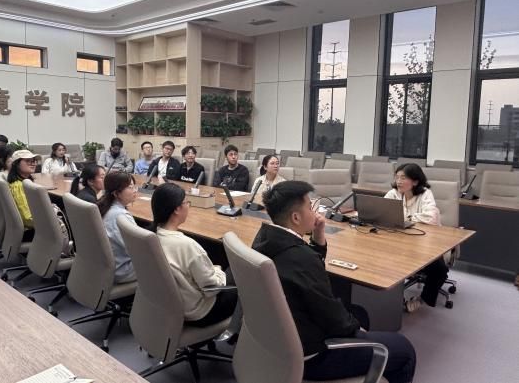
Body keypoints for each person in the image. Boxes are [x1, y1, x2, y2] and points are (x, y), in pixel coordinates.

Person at [253, 181, 416, 383]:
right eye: (310, 207)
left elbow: (305, 271)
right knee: (404, 349)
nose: (315, 212)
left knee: (360, 313)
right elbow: (333, 316)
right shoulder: (302, 258)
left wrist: (318, 238)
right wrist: (356, 329)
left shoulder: (266, 239)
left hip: (277, 341)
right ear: (296, 217)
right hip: (311, 357)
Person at [152, 182, 237, 326]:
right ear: (177, 209)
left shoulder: (152, 235)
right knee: (237, 270)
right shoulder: (188, 245)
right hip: (198, 312)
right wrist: (218, 271)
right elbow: (211, 289)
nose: (188, 206)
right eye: (187, 202)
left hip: (169, 305)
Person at [385, 163, 446, 312]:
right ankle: (392, 297)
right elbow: (383, 211)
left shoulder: (425, 194)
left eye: (403, 178)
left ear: (415, 181)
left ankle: (423, 299)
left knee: (439, 269)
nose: (398, 181)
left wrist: (405, 217)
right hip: (399, 240)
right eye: (397, 177)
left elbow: (431, 217)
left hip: (425, 242)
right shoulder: (393, 193)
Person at [97, 172, 137, 283]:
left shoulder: (104, 206)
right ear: (116, 193)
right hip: (121, 270)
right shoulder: (120, 216)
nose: (135, 190)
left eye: (134, 186)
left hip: (104, 264)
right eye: (130, 187)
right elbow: (136, 250)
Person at [7, 150, 41, 241]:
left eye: (34, 161)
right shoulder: (18, 186)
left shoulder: (23, 182)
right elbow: (27, 218)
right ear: (16, 164)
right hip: (29, 231)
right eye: (28, 161)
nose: (33, 163)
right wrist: (49, 223)